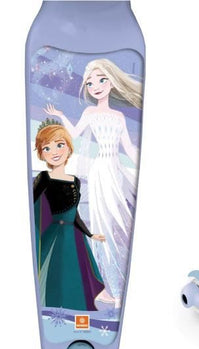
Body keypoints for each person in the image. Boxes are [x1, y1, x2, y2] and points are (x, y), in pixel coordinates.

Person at [44, 58, 143, 307]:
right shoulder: (90, 113)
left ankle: (117, 286)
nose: (96, 86)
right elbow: (74, 134)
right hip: (101, 171)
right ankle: (110, 287)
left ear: (112, 82)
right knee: (103, 225)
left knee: (119, 224)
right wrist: (61, 116)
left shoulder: (119, 116)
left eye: (101, 80)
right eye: (90, 83)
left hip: (116, 171)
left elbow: (129, 148)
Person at [33, 119, 106, 311]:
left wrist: (90, 234)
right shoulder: (44, 178)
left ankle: (75, 310)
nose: (54, 152)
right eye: (46, 148)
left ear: (68, 147)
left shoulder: (75, 181)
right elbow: (30, 205)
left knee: (76, 275)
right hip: (54, 235)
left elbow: (75, 214)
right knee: (54, 274)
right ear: (41, 153)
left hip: (74, 237)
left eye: (59, 145)